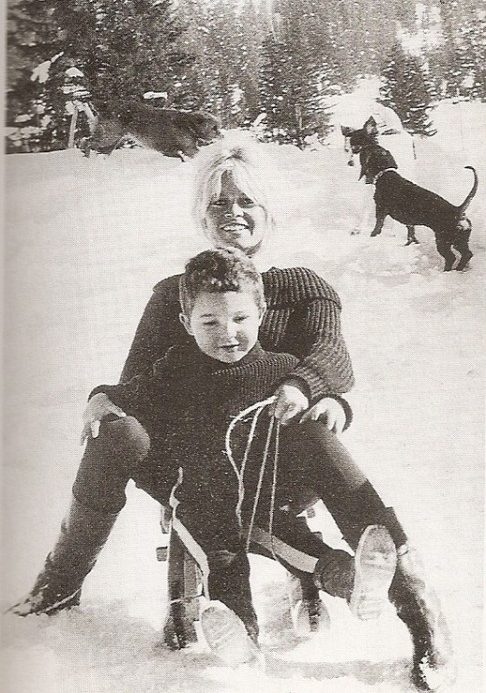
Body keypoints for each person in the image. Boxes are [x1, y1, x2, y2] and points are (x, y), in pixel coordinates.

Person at [9, 133, 453, 691]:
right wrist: (105, 399)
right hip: (197, 464)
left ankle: (417, 607)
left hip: (284, 453)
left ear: (269, 210)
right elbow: (142, 381)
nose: (233, 215)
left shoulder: (303, 287)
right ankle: (62, 581)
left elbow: (330, 356)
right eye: (219, 203)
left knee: (318, 435)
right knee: (114, 432)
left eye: (246, 202)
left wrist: (314, 389)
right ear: (202, 213)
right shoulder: (177, 293)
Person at [81, 247, 398, 667]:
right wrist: (100, 398)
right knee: (222, 562)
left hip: (261, 499)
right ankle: (241, 637)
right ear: (185, 324)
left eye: (240, 319)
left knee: (298, 546)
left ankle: (358, 584)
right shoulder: (175, 369)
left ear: (262, 316)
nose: (226, 332)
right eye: (209, 321)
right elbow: (133, 394)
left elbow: (323, 395)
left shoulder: (281, 370)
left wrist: (337, 406)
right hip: (199, 503)